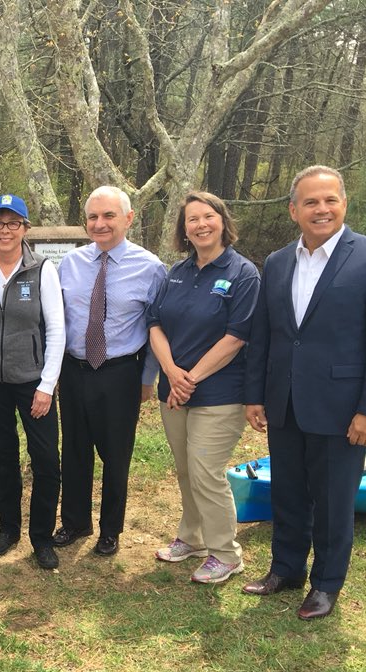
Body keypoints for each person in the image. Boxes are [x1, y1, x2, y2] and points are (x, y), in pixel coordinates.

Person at [243, 165, 366, 619]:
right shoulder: (278, 262)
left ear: (344, 204)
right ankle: (286, 569)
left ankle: (326, 584)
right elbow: (265, 335)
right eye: (311, 202)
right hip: (285, 402)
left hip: (343, 408)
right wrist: (255, 395)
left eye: (330, 200)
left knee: (334, 501)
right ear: (293, 210)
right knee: (287, 492)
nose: (322, 209)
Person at [147, 191, 260, 584]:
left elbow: (236, 337)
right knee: (185, 469)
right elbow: (154, 323)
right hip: (174, 392)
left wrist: (189, 378)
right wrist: (171, 372)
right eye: (192, 219)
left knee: (205, 470)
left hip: (220, 394)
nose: (200, 225)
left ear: (222, 221)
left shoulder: (243, 273)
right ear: (184, 229)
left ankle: (226, 554)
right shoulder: (176, 272)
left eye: (208, 216)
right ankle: (192, 537)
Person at [55, 186, 166, 556]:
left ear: (128, 218)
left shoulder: (151, 268)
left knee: (116, 455)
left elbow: (156, 328)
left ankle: (110, 529)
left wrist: (147, 379)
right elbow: (57, 321)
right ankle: (75, 522)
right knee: (74, 450)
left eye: (108, 216)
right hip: (73, 370)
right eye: (93, 217)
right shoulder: (69, 265)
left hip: (120, 373)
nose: (99, 224)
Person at [0, 194, 64, 569]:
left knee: (46, 459)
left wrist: (46, 386)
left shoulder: (42, 270)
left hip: (32, 381)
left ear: (25, 228)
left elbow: (57, 330)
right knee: (4, 456)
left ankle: (42, 538)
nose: (5, 230)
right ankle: (8, 530)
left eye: (13, 223)